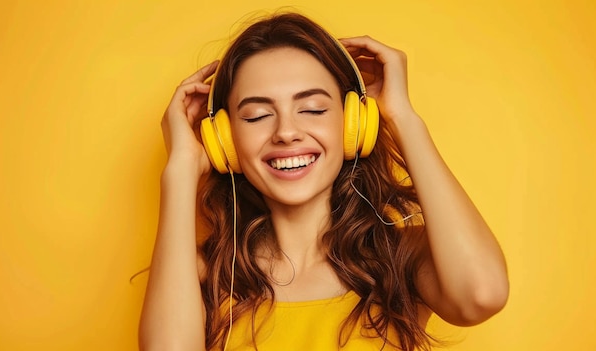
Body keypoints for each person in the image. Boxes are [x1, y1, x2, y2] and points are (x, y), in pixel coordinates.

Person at [138, 12, 509, 351]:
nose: (286, 132)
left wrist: (402, 117)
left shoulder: (401, 257)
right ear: (225, 141)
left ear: (354, 123)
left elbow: (482, 295)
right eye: (256, 116)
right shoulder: (208, 272)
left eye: (313, 109)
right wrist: (181, 170)